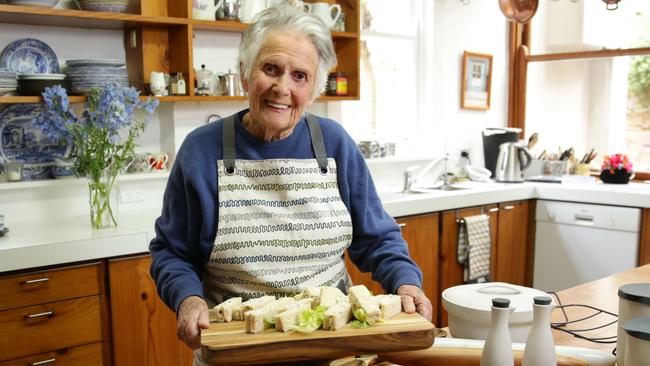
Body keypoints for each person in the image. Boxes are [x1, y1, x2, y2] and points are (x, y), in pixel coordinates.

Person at [149, 4, 433, 360]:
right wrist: (188, 300)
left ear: (315, 87)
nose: (282, 87)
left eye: (300, 75)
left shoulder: (335, 144)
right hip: (238, 350)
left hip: (333, 348)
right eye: (271, 69)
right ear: (245, 72)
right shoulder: (201, 151)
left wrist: (406, 282)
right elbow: (172, 253)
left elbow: (377, 237)